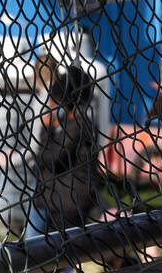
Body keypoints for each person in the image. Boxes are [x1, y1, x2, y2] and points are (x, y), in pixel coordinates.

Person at [27, 64, 101, 238]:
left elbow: (52, 159)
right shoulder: (69, 123)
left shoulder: (77, 126)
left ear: (64, 100)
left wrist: (46, 130)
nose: (51, 104)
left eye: (55, 100)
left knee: (57, 252)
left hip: (67, 203)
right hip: (55, 199)